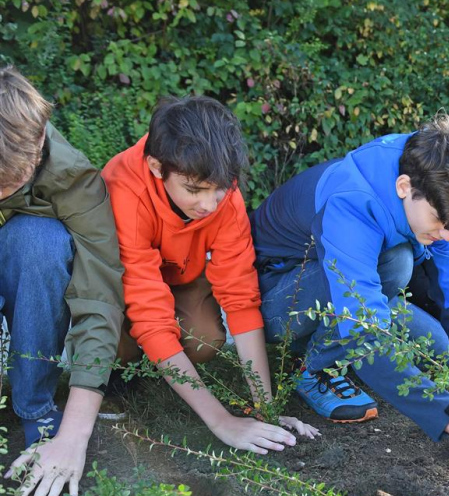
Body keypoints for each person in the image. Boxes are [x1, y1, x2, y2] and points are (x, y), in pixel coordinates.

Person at [249, 114, 449, 486]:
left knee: (438, 350)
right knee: (396, 262)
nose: (445, 236)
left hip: (349, 279)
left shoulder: (444, 182)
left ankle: (338, 334)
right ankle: (313, 368)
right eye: (440, 224)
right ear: (405, 186)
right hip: (274, 299)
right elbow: (365, 337)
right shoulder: (354, 201)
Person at [102, 96, 318, 456]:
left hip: (180, 274)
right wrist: (221, 421)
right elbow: (149, 313)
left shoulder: (222, 189)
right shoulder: (123, 187)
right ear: (157, 167)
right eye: (193, 190)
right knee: (120, 346)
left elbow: (240, 297)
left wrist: (265, 409)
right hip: (121, 283)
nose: (209, 205)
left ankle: (167, 365)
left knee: (203, 340)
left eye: (219, 189)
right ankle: (122, 372)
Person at [1, 66, 124, 496]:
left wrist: (75, 434)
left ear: (37, 147)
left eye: (9, 183)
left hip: (19, 254)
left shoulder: (74, 180)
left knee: (39, 242)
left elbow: (99, 298)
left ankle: (37, 410)